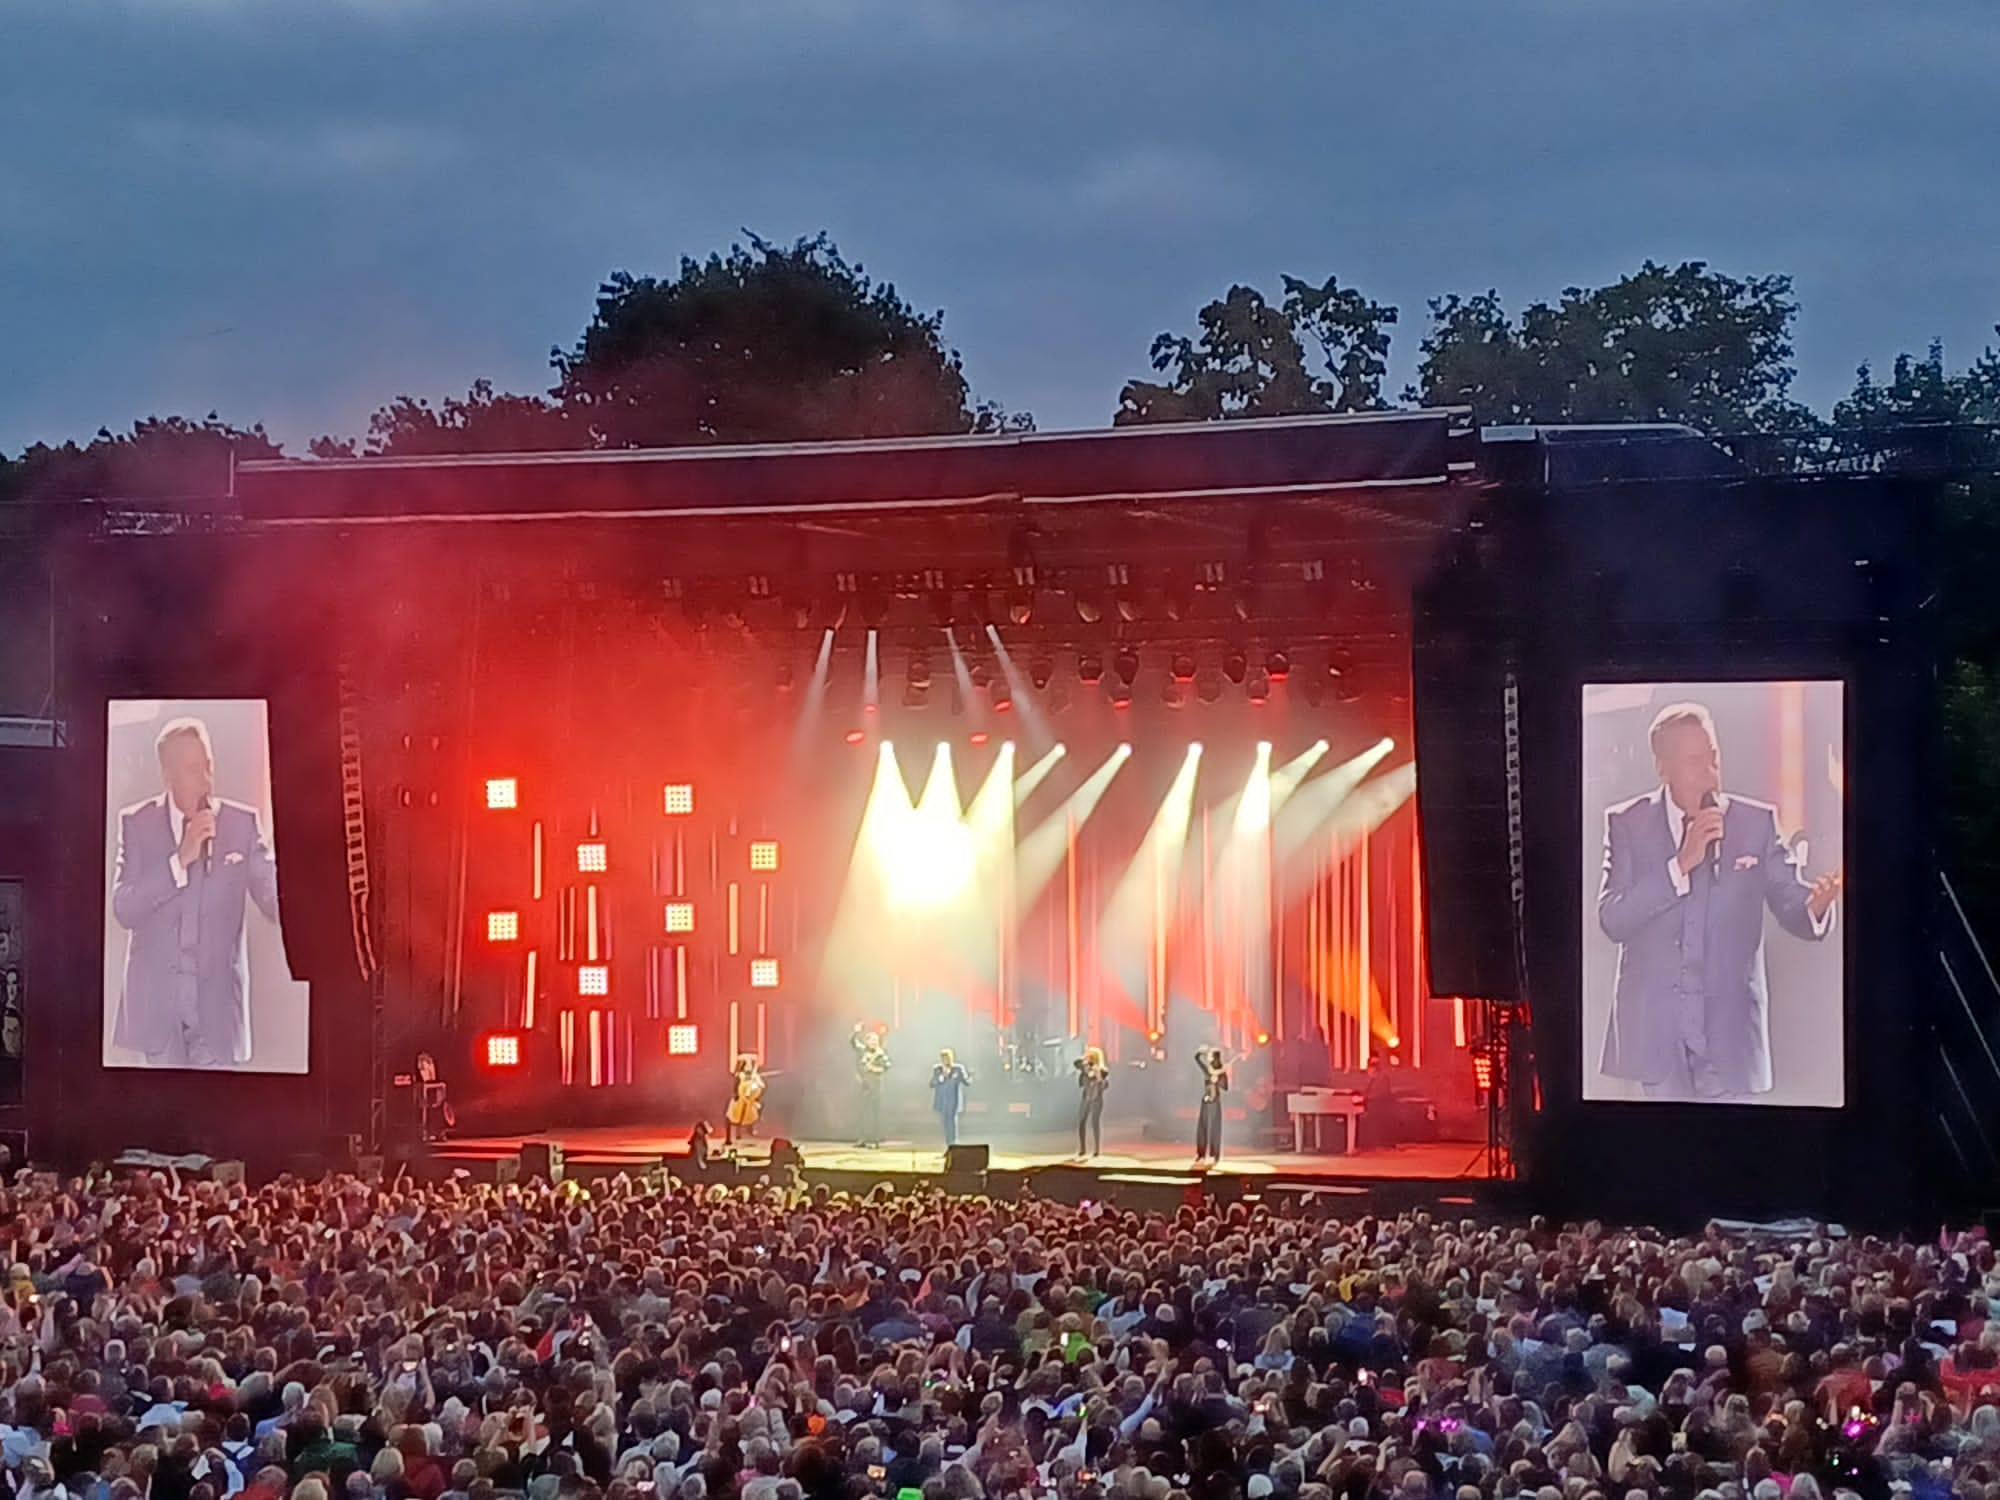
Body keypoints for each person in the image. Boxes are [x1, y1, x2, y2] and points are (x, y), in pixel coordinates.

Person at [1597, 701, 1843, 1101]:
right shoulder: (1628, 823)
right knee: (1665, 1152)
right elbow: (1612, 918)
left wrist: (1816, 905)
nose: (1710, 769)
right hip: (1658, 1038)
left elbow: (1792, 904)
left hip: (1730, 1037)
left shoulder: (1755, 822)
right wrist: (1679, 865)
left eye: (1713, 755)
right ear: (1664, 767)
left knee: (1730, 1156)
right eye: (1694, 760)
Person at [111, 716, 280, 1069]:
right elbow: (124, 907)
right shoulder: (137, 823)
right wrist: (179, 862)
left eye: (208, 764)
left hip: (216, 1014)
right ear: (167, 775)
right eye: (191, 769)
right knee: (162, 1120)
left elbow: (274, 897)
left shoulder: (241, 824)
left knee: (216, 1121)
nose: (205, 778)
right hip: (157, 1013)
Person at [853, 1026, 890, 1147]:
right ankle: (862, 1139)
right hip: (865, 1086)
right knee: (863, 1113)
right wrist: (856, 1032)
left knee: (875, 1114)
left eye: (876, 1040)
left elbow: (887, 1066)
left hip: (876, 1087)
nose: (874, 1043)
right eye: (871, 1040)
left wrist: (874, 1069)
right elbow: (853, 1042)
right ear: (867, 1041)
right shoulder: (863, 1050)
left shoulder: (880, 1054)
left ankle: (876, 1140)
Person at [1194, 1045, 1230, 1165]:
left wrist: (1218, 1080)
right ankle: (1201, 1153)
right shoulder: (1207, 1070)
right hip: (1206, 1100)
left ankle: (1215, 1154)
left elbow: (1225, 1087)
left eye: (1210, 1055)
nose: (1208, 1057)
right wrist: (1200, 1052)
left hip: (1215, 1101)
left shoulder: (1220, 1072)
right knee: (1202, 1127)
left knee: (1215, 1129)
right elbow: (1197, 1059)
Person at [929, 1048, 970, 1149]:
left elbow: (967, 1082)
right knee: (945, 1122)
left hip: (954, 1100)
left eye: (947, 1058)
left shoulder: (958, 1068)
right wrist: (939, 1079)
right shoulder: (937, 1069)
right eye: (943, 1058)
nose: (945, 1060)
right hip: (942, 1101)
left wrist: (968, 1076)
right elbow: (931, 1084)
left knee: (952, 1122)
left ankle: (954, 1143)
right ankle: (948, 1144)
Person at [1073, 1045, 1109, 1158]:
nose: (1087, 1057)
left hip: (1096, 1099)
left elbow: (1104, 1084)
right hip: (1086, 1098)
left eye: (1089, 1056)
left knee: (1095, 1123)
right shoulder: (1085, 1069)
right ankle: (1083, 1148)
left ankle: (1096, 1149)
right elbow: (1076, 1064)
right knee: (1081, 1122)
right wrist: (1085, 1066)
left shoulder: (1102, 1070)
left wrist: (1098, 1077)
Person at [723, 1054, 765, 1146]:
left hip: (750, 1100)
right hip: (739, 1098)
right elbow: (735, 1085)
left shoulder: (755, 1076)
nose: (748, 1067)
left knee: (758, 1107)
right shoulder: (740, 1075)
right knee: (729, 1116)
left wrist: (755, 1084)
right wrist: (736, 1094)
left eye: (750, 1065)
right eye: (747, 1065)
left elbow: (762, 1086)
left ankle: (751, 1127)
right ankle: (728, 1138)